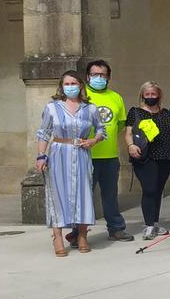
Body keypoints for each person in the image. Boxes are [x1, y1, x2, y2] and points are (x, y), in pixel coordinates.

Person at [37, 71, 106, 256]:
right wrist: (41, 156)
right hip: (59, 151)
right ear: (61, 86)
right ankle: (57, 236)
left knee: (83, 194)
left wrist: (94, 140)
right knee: (57, 194)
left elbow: (101, 129)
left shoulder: (90, 108)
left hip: (82, 153)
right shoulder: (52, 107)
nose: (70, 86)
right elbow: (44, 132)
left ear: (81, 85)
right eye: (67, 83)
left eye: (74, 83)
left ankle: (82, 235)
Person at [83, 59, 131, 241]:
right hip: (86, 155)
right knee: (84, 196)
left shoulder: (116, 97)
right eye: (95, 74)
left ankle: (116, 228)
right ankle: (78, 232)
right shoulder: (82, 95)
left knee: (110, 195)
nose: (99, 78)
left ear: (108, 77)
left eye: (102, 75)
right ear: (88, 76)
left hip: (110, 156)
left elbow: (120, 125)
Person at [124, 82, 170, 240]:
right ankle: (148, 225)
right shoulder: (135, 112)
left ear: (159, 95)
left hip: (164, 157)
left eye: (153, 94)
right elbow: (128, 132)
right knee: (150, 189)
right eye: (147, 94)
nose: (151, 97)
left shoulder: (165, 113)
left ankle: (155, 222)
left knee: (158, 191)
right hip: (145, 156)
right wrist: (131, 145)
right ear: (142, 95)